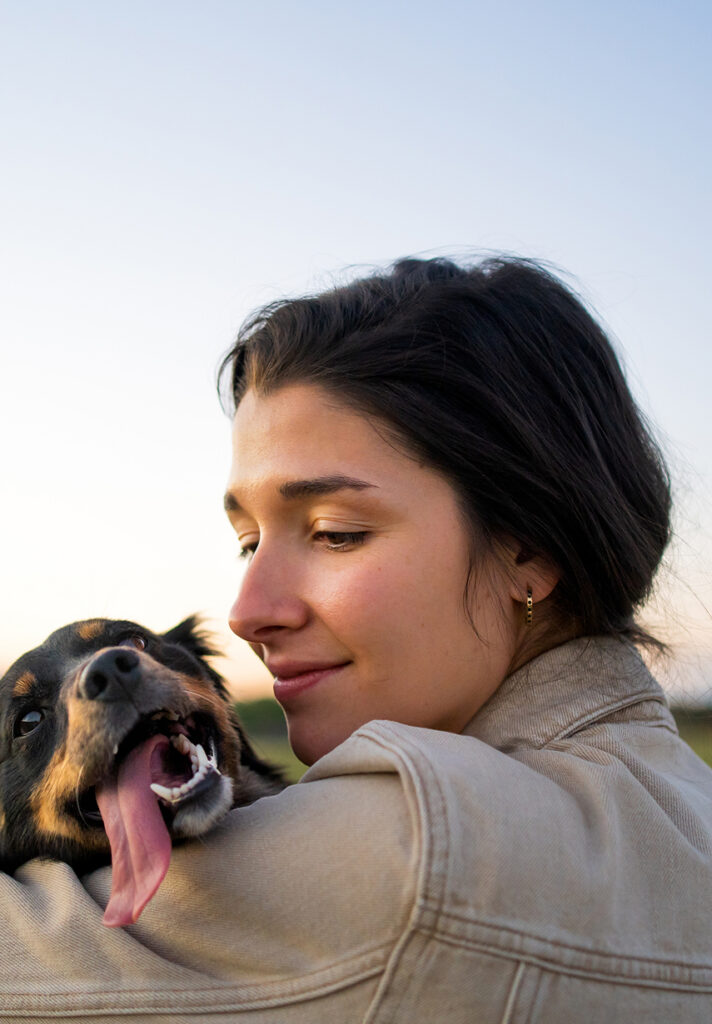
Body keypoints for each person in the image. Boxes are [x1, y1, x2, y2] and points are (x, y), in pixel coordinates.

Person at [2, 255, 711, 1022]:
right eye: (249, 543)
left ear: (529, 550)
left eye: (336, 533)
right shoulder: (683, 801)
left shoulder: (412, 848)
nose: (247, 612)